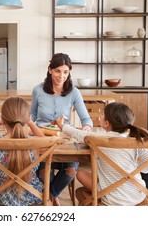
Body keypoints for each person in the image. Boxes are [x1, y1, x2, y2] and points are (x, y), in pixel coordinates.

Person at [56, 102, 148, 206]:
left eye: (102, 114)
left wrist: (62, 125)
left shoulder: (99, 138)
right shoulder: (136, 140)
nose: (100, 115)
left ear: (107, 124)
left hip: (112, 200)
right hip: (138, 196)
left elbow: (78, 134)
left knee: (80, 173)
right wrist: (132, 170)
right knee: (106, 176)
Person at [31, 53, 93, 205]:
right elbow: (32, 115)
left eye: (66, 72)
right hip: (43, 138)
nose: (61, 76)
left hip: (65, 139)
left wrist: (87, 126)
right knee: (42, 172)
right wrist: (28, 127)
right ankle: (54, 199)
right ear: (50, 70)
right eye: (58, 71)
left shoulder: (74, 92)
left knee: (71, 171)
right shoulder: (38, 90)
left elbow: (86, 119)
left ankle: (51, 196)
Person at [0, 97, 46, 205]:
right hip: (30, 194)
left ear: (3, 118)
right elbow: (45, 140)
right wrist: (30, 122)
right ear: (26, 119)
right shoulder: (35, 143)